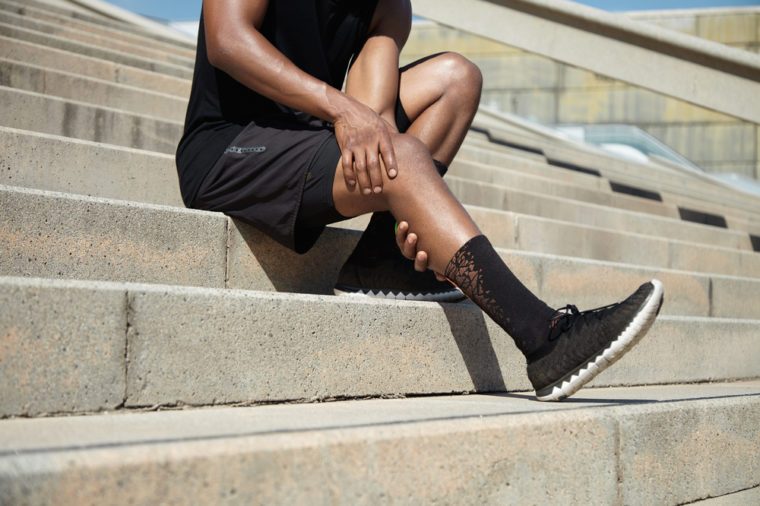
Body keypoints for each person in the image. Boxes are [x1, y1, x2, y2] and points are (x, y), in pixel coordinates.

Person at [176, 0, 665, 401]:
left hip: (308, 142)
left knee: (456, 77)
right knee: (404, 155)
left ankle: (382, 260)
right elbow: (226, 39)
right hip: (229, 149)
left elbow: (377, 117)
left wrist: (408, 203)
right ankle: (545, 338)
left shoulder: (389, 6)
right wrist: (340, 108)